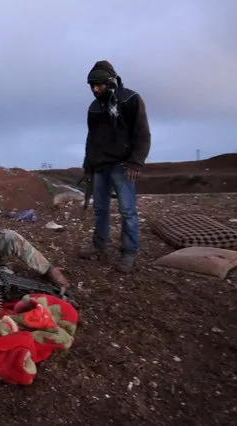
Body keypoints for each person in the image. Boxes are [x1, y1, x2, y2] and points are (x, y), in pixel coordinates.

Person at [79, 60, 151, 272]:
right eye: (92, 86)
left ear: (110, 82)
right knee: (100, 208)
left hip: (122, 165)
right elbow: (91, 139)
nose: (95, 89)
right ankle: (99, 245)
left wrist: (136, 161)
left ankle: (129, 252)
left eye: (99, 85)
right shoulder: (94, 108)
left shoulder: (130, 99)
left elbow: (142, 133)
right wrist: (87, 166)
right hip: (100, 165)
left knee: (127, 210)